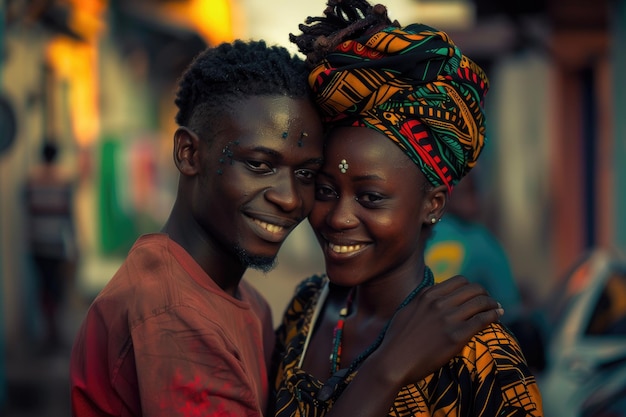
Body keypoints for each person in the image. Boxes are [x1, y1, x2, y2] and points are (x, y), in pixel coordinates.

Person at [70, 39, 502, 417]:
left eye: (307, 174)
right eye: (260, 165)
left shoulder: (251, 304)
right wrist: (387, 369)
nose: (290, 198)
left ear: (432, 205)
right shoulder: (178, 316)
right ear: (188, 153)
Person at [271, 1, 544, 416]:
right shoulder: (307, 310)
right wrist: (386, 370)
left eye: (370, 197)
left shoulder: (480, 353)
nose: (338, 218)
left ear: (432, 204)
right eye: (326, 190)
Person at [425, 170, 524, 322]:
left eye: (474, 191)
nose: (473, 201)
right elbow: (509, 306)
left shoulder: (421, 238)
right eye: (466, 193)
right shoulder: (480, 240)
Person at [24, 141, 77, 351]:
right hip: (56, 243)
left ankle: (48, 330)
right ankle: (54, 331)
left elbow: (27, 211)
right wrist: (74, 242)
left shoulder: (31, 180)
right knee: (56, 287)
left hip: (37, 243)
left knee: (43, 286)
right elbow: (69, 215)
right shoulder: (63, 180)